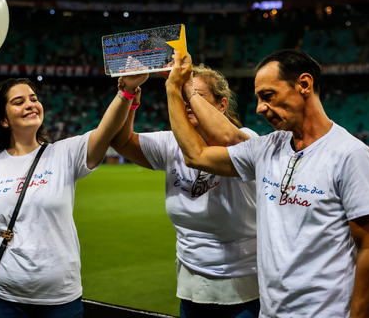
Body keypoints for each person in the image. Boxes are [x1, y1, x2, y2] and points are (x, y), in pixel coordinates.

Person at [165, 49, 369, 318]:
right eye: (258, 99)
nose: (259, 108)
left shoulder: (351, 154)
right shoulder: (268, 147)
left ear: (304, 85)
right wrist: (177, 87)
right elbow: (197, 155)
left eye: (268, 96)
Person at [0, 75, 147, 318]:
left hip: (60, 297)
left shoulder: (64, 154)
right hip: (1, 296)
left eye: (34, 99)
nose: (30, 104)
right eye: (19, 101)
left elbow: (105, 131)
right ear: (4, 120)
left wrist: (126, 92)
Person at [111, 61, 260, 318]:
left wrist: (176, 86)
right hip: (192, 285)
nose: (188, 101)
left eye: (196, 94)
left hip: (245, 286)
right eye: (184, 95)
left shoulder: (247, 139)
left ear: (222, 105)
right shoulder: (171, 143)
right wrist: (130, 95)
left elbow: (218, 143)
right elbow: (121, 140)